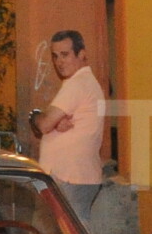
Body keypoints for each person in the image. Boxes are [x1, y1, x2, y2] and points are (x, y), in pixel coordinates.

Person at [31, 30, 106, 220]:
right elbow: (52, 122)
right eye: (55, 56)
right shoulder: (82, 83)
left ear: (82, 54)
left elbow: (45, 124)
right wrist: (52, 121)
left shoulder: (78, 83)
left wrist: (35, 116)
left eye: (65, 55)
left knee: (70, 233)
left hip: (71, 177)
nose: (59, 62)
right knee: (67, 232)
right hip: (73, 176)